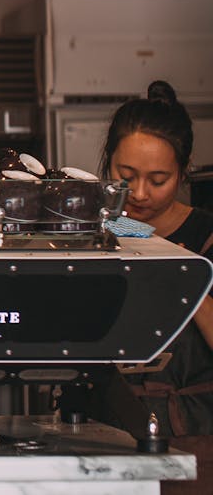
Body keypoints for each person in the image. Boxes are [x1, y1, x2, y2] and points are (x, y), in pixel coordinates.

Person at [103, 80, 213, 493]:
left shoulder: (205, 234)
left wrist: (187, 275)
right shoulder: (95, 229)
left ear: (183, 173)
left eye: (159, 179)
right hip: (102, 427)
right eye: (125, 176)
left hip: (195, 439)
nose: (140, 193)